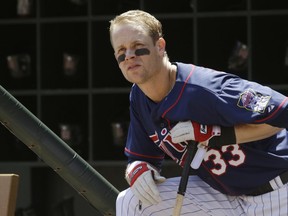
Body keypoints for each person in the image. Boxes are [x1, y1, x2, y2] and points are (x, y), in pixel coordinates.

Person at [109, 9, 288, 216]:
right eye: (121, 50)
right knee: (131, 201)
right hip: (224, 196)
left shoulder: (207, 88)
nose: (129, 55)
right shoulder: (139, 97)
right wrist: (137, 169)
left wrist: (218, 134)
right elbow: (142, 156)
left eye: (138, 46)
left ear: (159, 46)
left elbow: (284, 111)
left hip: (276, 189)